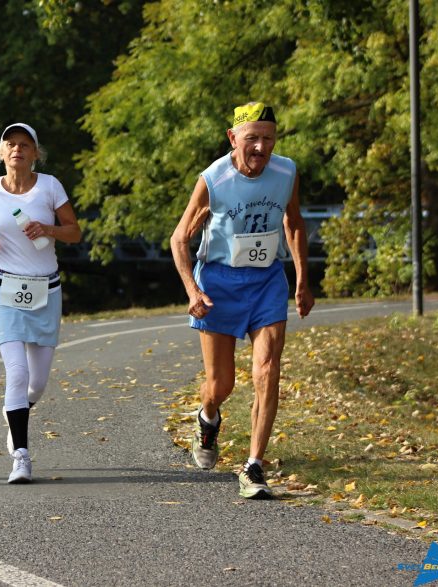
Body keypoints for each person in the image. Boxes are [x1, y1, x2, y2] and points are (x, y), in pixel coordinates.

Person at [169, 102, 314, 499]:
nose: (260, 147)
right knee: (221, 384)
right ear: (233, 139)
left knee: (267, 368)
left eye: (268, 138)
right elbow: (180, 238)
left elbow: (294, 222)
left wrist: (302, 279)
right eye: (252, 138)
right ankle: (208, 417)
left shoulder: (286, 171)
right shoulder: (214, 180)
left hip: (267, 280)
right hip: (219, 283)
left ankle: (253, 466)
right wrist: (192, 291)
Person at [0, 123, 81, 483]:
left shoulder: (49, 186)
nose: (17, 150)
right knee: (17, 373)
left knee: (37, 384)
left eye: (24, 145)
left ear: (35, 153)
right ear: (1, 153)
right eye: (10, 144)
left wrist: (48, 230)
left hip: (46, 290)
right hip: (5, 290)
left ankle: (15, 411)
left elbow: (74, 232)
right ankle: (21, 456)